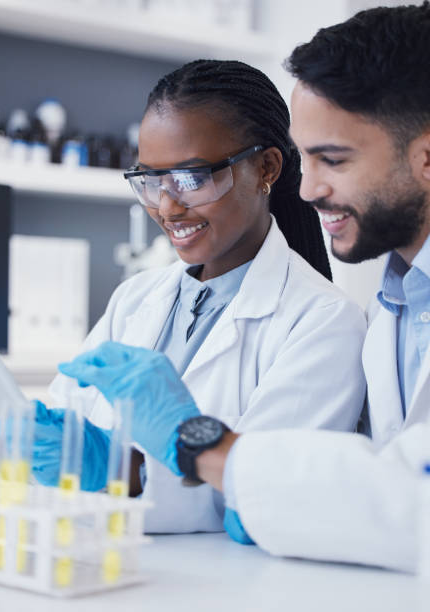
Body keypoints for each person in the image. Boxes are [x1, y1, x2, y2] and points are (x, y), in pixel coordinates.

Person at [60, 2, 430, 571]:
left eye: (331, 159)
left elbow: (403, 506)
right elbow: (368, 495)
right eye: (307, 159)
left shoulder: (330, 319)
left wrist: (196, 446)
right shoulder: (396, 311)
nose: (306, 190)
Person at [28, 59, 365, 534]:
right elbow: (62, 431)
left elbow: (266, 496)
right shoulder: (134, 299)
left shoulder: (325, 322)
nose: (167, 206)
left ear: (266, 167)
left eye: (192, 177)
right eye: (151, 180)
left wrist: (126, 472)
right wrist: (18, 442)